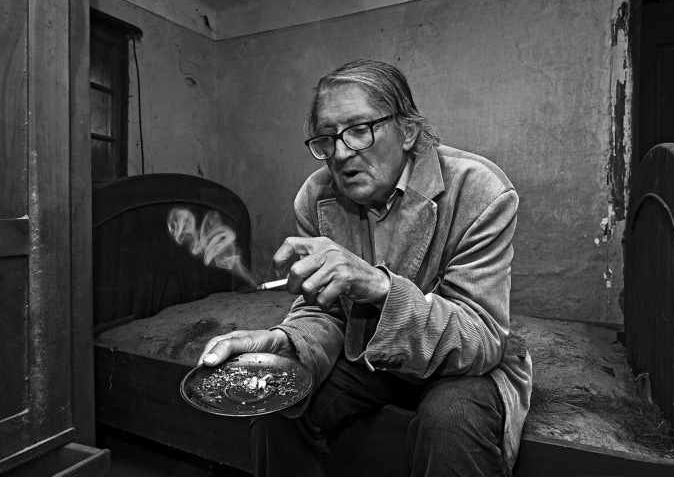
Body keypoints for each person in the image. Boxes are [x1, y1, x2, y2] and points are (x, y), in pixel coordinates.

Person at [198, 59, 531, 477]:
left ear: (407, 131)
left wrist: (376, 284)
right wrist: (284, 342)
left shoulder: (479, 190)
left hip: (461, 363)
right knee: (281, 400)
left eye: (359, 130)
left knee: (451, 420)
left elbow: (479, 340)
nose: (340, 154)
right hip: (372, 354)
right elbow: (324, 312)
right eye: (327, 138)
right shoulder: (315, 197)